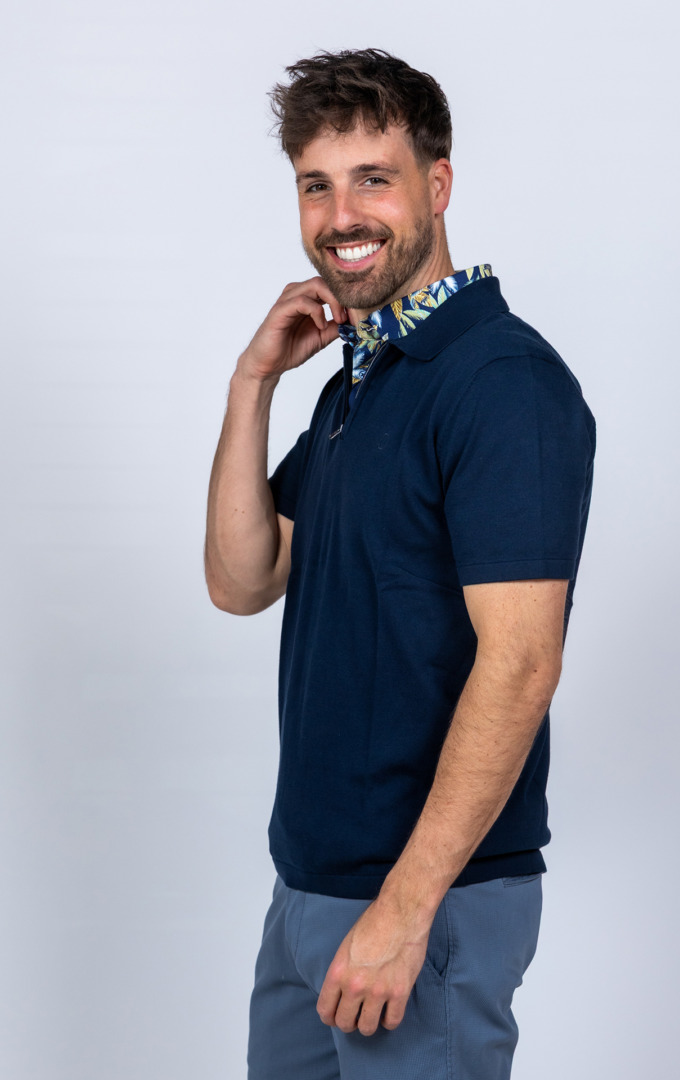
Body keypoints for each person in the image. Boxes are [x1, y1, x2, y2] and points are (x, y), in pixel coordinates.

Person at [205, 47, 595, 1080]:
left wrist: (404, 909)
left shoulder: (500, 381)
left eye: (373, 178)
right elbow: (242, 581)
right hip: (312, 890)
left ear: (438, 183)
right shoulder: (360, 384)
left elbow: (521, 662)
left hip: (424, 906)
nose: (342, 215)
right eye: (316, 185)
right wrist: (253, 383)